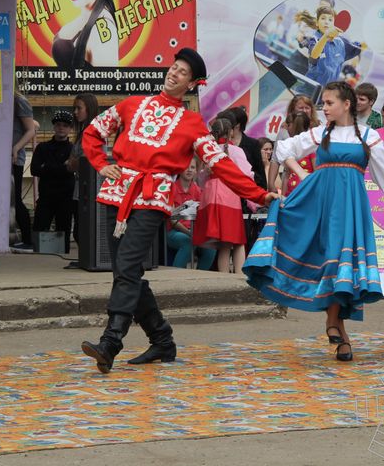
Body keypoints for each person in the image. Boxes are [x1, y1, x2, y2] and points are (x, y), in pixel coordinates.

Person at [79, 48, 277, 373]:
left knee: (127, 265)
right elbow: (93, 131)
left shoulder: (192, 123)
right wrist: (102, 164)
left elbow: (220, 164)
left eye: (183, 72)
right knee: (125, 271)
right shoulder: (133, 104)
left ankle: (111, 341)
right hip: (117, 194)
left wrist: (257, 194)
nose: (174, 73)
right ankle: (162, 340)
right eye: (174, 67)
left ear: (191, 84)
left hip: (153, 197)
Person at [243, 82, 384, 362]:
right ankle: (339, 331)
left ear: (346, 104)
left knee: (338, 263)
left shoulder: (369, 137)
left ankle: (336, 327)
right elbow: (283, 148)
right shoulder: (319, 132)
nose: (323, 108)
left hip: (349, 208)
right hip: (320, 204)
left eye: (329, 103)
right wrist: (299, 175)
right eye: (323, 103)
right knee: (329, 262)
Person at [194, 118, 256, 275]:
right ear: (231, 132)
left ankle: (224, 281)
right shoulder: (236, 151)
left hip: (210, 198)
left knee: (224, 245)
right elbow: (246, 176)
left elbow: (200, 180)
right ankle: (241, 280)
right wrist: (253, 202)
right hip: (229, 197)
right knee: (239, 242)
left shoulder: (208, 152)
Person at [30, 110, 76, 253]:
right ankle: (38, 258)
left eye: (65, 125)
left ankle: (62, 255)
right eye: (58, 125)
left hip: (66, 196)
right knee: (39, 228)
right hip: (46, 195)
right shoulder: (43, 147)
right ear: (54, 127)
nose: (61, 128)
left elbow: (72, 169)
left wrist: (48, 167)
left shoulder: (72, 148)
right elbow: (35, 170)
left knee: (64, 229)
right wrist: (62, 167)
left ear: (70, 128)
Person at [166, 159, 213, 270]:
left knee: (211, 244)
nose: (189, 170)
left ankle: (201, 277)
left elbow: (203, 216)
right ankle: (175, 276)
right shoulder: (171, 188)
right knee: (189, 241)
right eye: (186, 167)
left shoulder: (198, 190)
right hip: (174, 232)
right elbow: (173, 220)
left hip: (194, 231)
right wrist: (189, 232)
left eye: (192, 168)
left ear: (196, 171)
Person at [67, 93, 99, 250]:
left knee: (83, 229)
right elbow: (72, 161)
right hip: (79, 187)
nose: (75, 112)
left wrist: (74, 162)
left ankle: (88, 257)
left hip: (88, 189)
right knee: (79, 228)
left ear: (89, 109)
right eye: (74, 108)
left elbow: (84, 161)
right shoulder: (82, 133)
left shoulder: (94, 132)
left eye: (79, 108)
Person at [304, 6, 365, 87]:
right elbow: (314, 55)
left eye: (330, 20)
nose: (326, 22)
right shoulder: (313, 39)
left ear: (334, 24)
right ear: (317, 23)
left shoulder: (341, 43)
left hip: (328, 93)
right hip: (310, 89)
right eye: (323, 18)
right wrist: (326, 36)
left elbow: (359, 46)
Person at [11, 92, 36, 250]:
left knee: (16, 198)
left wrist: (16, 148)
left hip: (14, 158)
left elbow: (31, 129)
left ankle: (27, 239)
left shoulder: (19, 101)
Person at [229, 106, 267, 191]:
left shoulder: (253, 144)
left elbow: (259, 171)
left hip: (248, 190)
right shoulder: (222, 143)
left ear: (237, 125)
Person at [283, 112, 316, 193]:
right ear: (309, 126)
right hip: (302, 192)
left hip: (298, 193)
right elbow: (316, 173)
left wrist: (282, 198)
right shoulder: (312, 146)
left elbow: (286, 175)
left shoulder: (290, 145)